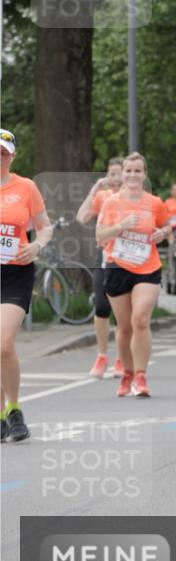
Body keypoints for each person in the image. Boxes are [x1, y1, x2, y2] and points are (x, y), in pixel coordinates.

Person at [96, 153, 171, 398]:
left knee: (140, 320)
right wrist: (121, 226)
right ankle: (127, 373)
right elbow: (100, 237)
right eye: (128, 171)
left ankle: (141, 375)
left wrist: (163, 233)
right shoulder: (111, 203)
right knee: (125, 328)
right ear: (122, 173)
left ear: (144, 174)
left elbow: (168, 227)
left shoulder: (155, 203)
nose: (132, 175)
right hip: (118, 267)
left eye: (137, 171)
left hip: (147, 267)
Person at [0, 129, 53, 442]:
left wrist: (36, 246)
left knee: (3, 344)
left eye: (3, 153)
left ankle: (15, 407)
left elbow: (45, 228)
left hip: (15, 272)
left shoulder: (26, 187)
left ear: (12, 156)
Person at [76, 157, 124, 378]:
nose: (114, 179)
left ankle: (121, 358)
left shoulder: (134, 199)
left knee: (122, 313)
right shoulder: (103, 197)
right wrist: (94, 190)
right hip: (104, 257)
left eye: (118, 174)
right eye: (111, 174)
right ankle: (102, 356)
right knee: (102, 306)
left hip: (126, 261)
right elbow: (82, 217)